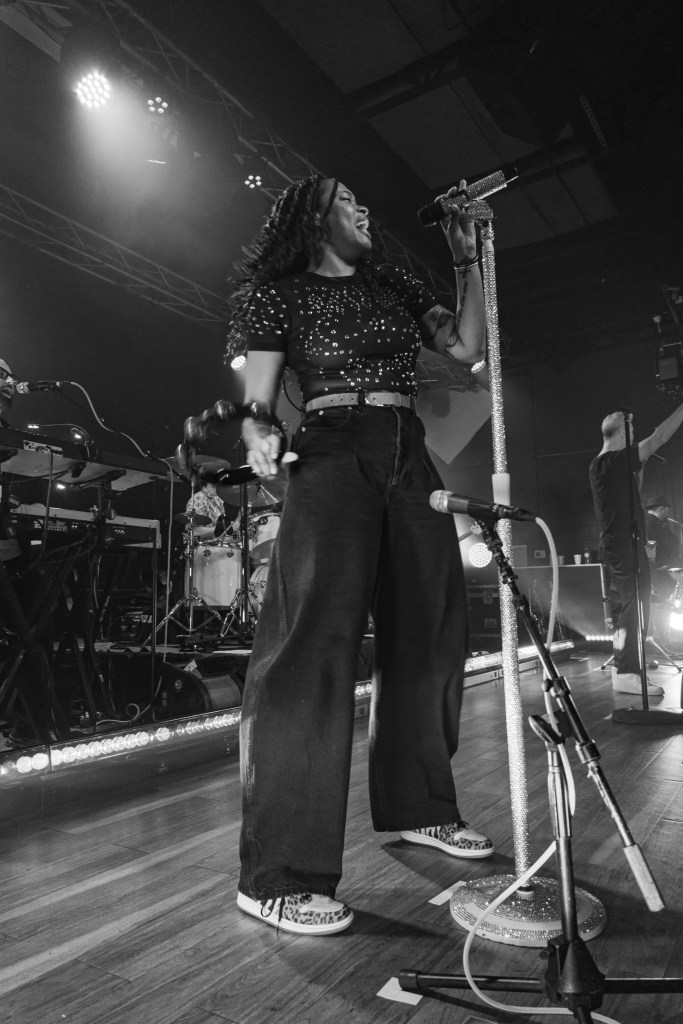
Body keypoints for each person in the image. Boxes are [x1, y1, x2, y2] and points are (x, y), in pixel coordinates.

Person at [224, 174, 491, 937]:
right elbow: (257, 396)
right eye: (345, 201)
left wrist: (465, 257)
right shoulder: (279, 293)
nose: (362, 208)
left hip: (407, 452)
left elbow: (466, 347)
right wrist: (257, 430)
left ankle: (418, 807)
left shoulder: (391, 285)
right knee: (312, 648)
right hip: (333, 448)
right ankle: (276, 875)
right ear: (312, 220)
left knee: (429, 632)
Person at [589, 406, 683, 695]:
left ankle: (624, 668)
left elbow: (635, 491)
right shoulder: (608, 461)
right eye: (627, 423)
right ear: (624, 433)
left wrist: (639, 463)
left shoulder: (614, 465)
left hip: (623, 544)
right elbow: (659, 438)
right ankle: (627, 671)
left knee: (629, 607)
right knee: (634, 606)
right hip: (621, 545)